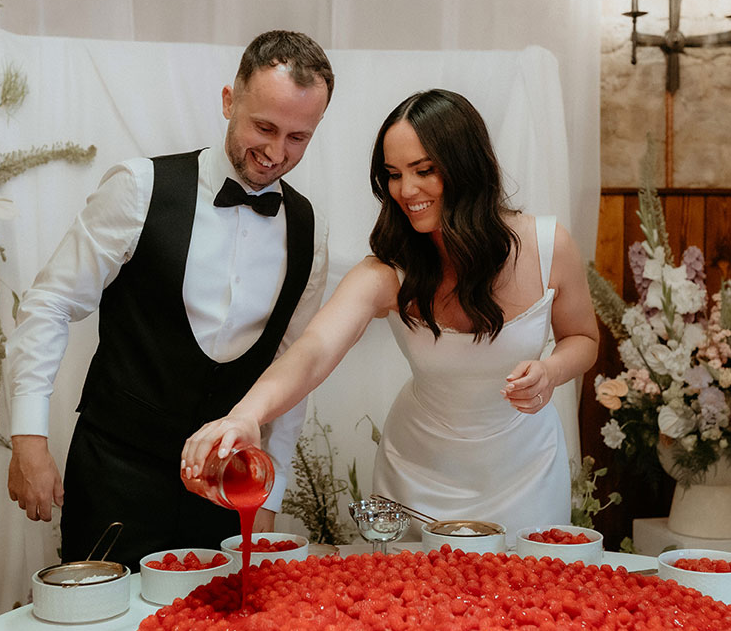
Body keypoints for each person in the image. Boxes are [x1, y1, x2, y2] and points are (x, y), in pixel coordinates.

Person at [182, 89, 598, 537]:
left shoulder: (549, 246)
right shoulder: (388, 270)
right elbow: (314, 351)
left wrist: (552, 371)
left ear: (467, 167)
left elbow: (584, 339)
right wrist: (245, 415)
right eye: (394, 174)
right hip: (418, 475)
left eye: (424, 170)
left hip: (527, 471)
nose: (407, 191)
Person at [6, 31, 334, 568]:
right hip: (116, 475)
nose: (277, 152)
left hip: (228, 489)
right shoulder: (138, 188)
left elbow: (292, 372)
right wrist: (28, 437)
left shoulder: (308, 231)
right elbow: (51, 303)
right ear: (230, 101)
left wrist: (269, 498)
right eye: (264, 127)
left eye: (298, 137)